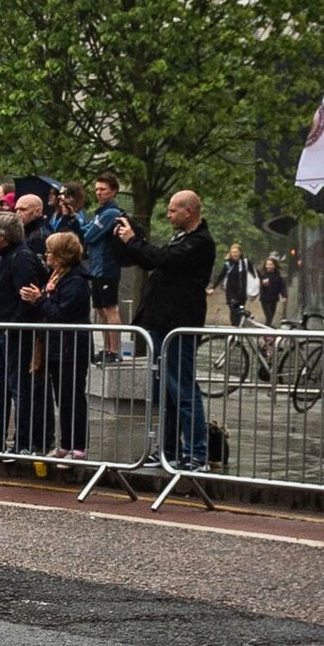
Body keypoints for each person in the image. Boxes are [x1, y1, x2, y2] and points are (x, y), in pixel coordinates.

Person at [115, 190, 216, 471]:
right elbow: (152, 259)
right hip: (162, 323)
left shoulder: (199, 243)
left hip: (179, 324)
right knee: (166, 392)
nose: (169, 215)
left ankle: (196, 454)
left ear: (189, 212)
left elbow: (162, 259)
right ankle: (168, 451)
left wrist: (134, 241)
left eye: (173, 211)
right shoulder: (181, 239)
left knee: (182, 389)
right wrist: (131, 241)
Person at [24, 231, 94, 459]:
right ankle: (65, 444)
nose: (46, 255)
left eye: (50, 252)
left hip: (70, 349)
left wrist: (41, 300)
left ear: (62, 255)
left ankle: (78, 447)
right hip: (56, 348)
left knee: (73, 398)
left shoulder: (76, 282)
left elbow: (62, 314)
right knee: (62, 399)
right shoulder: (57, 277)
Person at [0, 211, 47, 453]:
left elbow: (26, 297)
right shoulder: (3, 256)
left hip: (15, 333)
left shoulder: (21, 258)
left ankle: (23, 442)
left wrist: (15, 324)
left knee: (17, 387)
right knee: (0, 387)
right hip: (4, 330)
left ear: (4, 235)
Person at [81, 172, 125, 361]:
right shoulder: (100, 213)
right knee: (100, 310)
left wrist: (83, 230)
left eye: (103, 190)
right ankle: (107, 348)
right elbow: (85, 229)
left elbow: (88, 235)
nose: (99, 193)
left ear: (114, 191)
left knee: (110, 309)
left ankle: (115, 351)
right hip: (96, 267)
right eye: (97, 189)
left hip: (107, 267)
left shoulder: (111, 213)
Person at [211, 242, 253, 326]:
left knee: (240, 312)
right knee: (234, 310)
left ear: (240, 252)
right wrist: (213, 288)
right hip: (231, 293)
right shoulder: (228, 264)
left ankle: (237, 331)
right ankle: (234, 329)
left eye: (236, 252)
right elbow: (221, 276)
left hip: (242, 294)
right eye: (233, 252)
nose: (235, 254)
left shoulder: (245, 262)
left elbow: (255, 273)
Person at [258, 256, 289, 326]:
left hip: (274, 299)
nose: (269, 266)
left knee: (271, 317)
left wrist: (284, 296)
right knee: (269, 317)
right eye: (267, 264)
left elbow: (282, 287)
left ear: (274, 266)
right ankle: (266, 333)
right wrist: (262, 284)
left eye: (271, 264)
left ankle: (268, 333)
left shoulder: (278, 276)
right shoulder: (263, 275)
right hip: (265, 299)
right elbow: (258, 286)